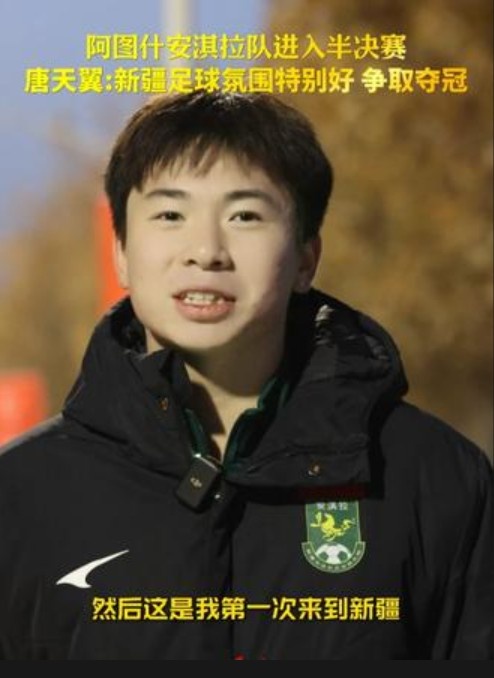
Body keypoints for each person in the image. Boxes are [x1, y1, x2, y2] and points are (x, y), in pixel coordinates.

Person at [0, 91, 492, 661]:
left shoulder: (433, 479)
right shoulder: (22, 495)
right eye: (170, 214)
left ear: (306, 258)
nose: (206, 251)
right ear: (122, 253)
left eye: (245, 216)